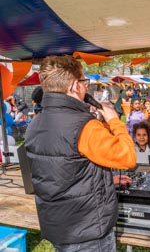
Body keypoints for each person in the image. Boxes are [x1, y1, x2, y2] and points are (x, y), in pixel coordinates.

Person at [24, 55, 136, 252]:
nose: (86, 87)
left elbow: (65, 170)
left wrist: (105, 180)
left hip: (59, 228)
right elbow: (127, 156)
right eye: (85, 82)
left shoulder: (35, 124)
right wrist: (114, 121)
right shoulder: (86, 126)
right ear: (76, 86)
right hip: (88, 232)